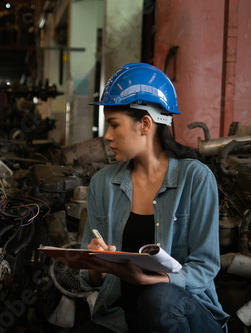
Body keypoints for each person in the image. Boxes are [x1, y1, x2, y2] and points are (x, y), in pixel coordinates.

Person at [78, 63, 229, 332]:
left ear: (145, 124)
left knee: (157, 300)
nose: (107, 136)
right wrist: (96, 264)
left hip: (184, 312)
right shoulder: (103, 184)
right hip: (120, 316)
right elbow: (88, 279)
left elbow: (205, 267)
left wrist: (154, 280)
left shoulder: (195, 178)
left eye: (114, 125)